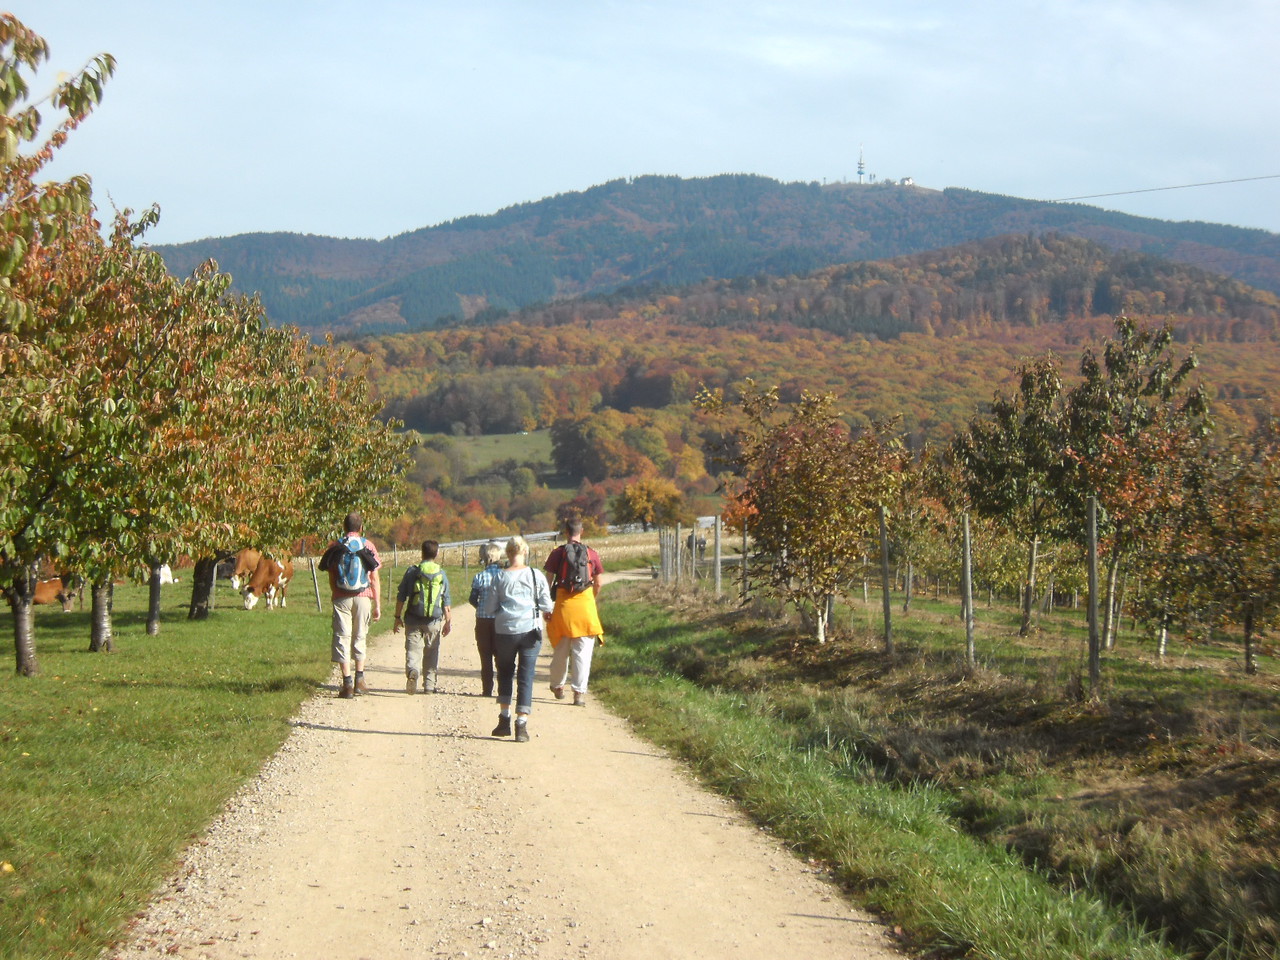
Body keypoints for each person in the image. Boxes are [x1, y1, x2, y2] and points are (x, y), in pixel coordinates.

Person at [480, 536, 553, 742]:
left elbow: (489, 608)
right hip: (530, 630)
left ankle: (504, 718)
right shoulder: (535, 575)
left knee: (505, 672)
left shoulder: (499, 577)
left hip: (505, 630)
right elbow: (547, 604)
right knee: (526, 675)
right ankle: (521, 724)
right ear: (525, 552)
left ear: (508, 553)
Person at [318, 511, 381, 699]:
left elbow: (331, 574)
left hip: (341, 598)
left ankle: (347, 684)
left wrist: (335, 593)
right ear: (361, 527)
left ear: (344, 527)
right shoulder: (368, 546)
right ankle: (360, 680)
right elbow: (374, 578)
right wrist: (377, 604)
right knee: (360, 635)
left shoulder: (336, 546)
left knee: (342, 636)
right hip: (363, 597)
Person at [544, 518, 604, 707]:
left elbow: (547, 582)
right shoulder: (592, 554)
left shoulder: (558, 553)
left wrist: (547, 606)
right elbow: (598, 583)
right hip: (585, 608)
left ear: (566, 532)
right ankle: (579, 694)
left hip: (563, 608)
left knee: (560, 650)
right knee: (582, 653)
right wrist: (590, 599)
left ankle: (558, 686)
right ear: (581, 531)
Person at [393, 539, 452, 694]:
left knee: (413, 650)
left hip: (413, 619)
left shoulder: (412, 572)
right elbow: (446, 600)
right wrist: (448, 621)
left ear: (422, 553)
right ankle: (429, 686)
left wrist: (397, 617)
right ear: (436, 554)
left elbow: (401, 596)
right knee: (432, 652)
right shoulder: (441, 573)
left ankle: (413, 670)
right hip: (434, 620)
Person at [468, 541, 504, 697]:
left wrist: (481, 607)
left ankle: (487, 689)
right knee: (501, 655)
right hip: (500, 620)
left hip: (483, 620)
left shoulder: (479, 577)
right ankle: (503, 689)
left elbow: (472, 598)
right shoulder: (504, 576)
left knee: (485, 655)